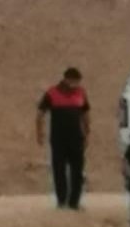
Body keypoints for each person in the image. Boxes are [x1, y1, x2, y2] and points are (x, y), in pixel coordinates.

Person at [37, 67, 91, 210]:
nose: (77, 84)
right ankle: (61, 202)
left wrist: (87, 133)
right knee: (59, 171)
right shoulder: (52, 93)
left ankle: (74, 203)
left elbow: (85, 114)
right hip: (58, 139)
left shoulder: (81, 93)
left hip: (77, 139)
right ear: (67, 79)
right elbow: (40, 113)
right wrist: (39, 133)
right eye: (75, 81)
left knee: (77, 172)